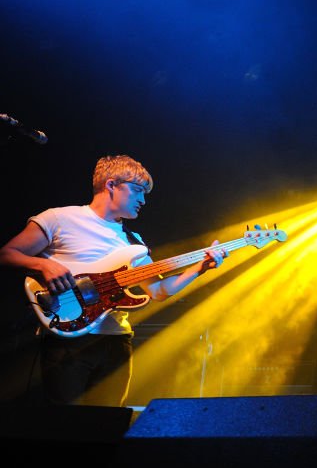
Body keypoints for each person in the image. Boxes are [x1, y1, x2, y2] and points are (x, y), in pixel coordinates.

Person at [0, 155, 227, 406]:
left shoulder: (134, 242)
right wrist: (42, 264)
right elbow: (7, 254)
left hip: (116, 343)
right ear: (111, 185)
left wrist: (199, 268)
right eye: (138, 190)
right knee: (63, 430)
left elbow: (159, 291)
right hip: (67, 341)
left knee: (109, 429)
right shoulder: (58, 218)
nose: (143, 200)